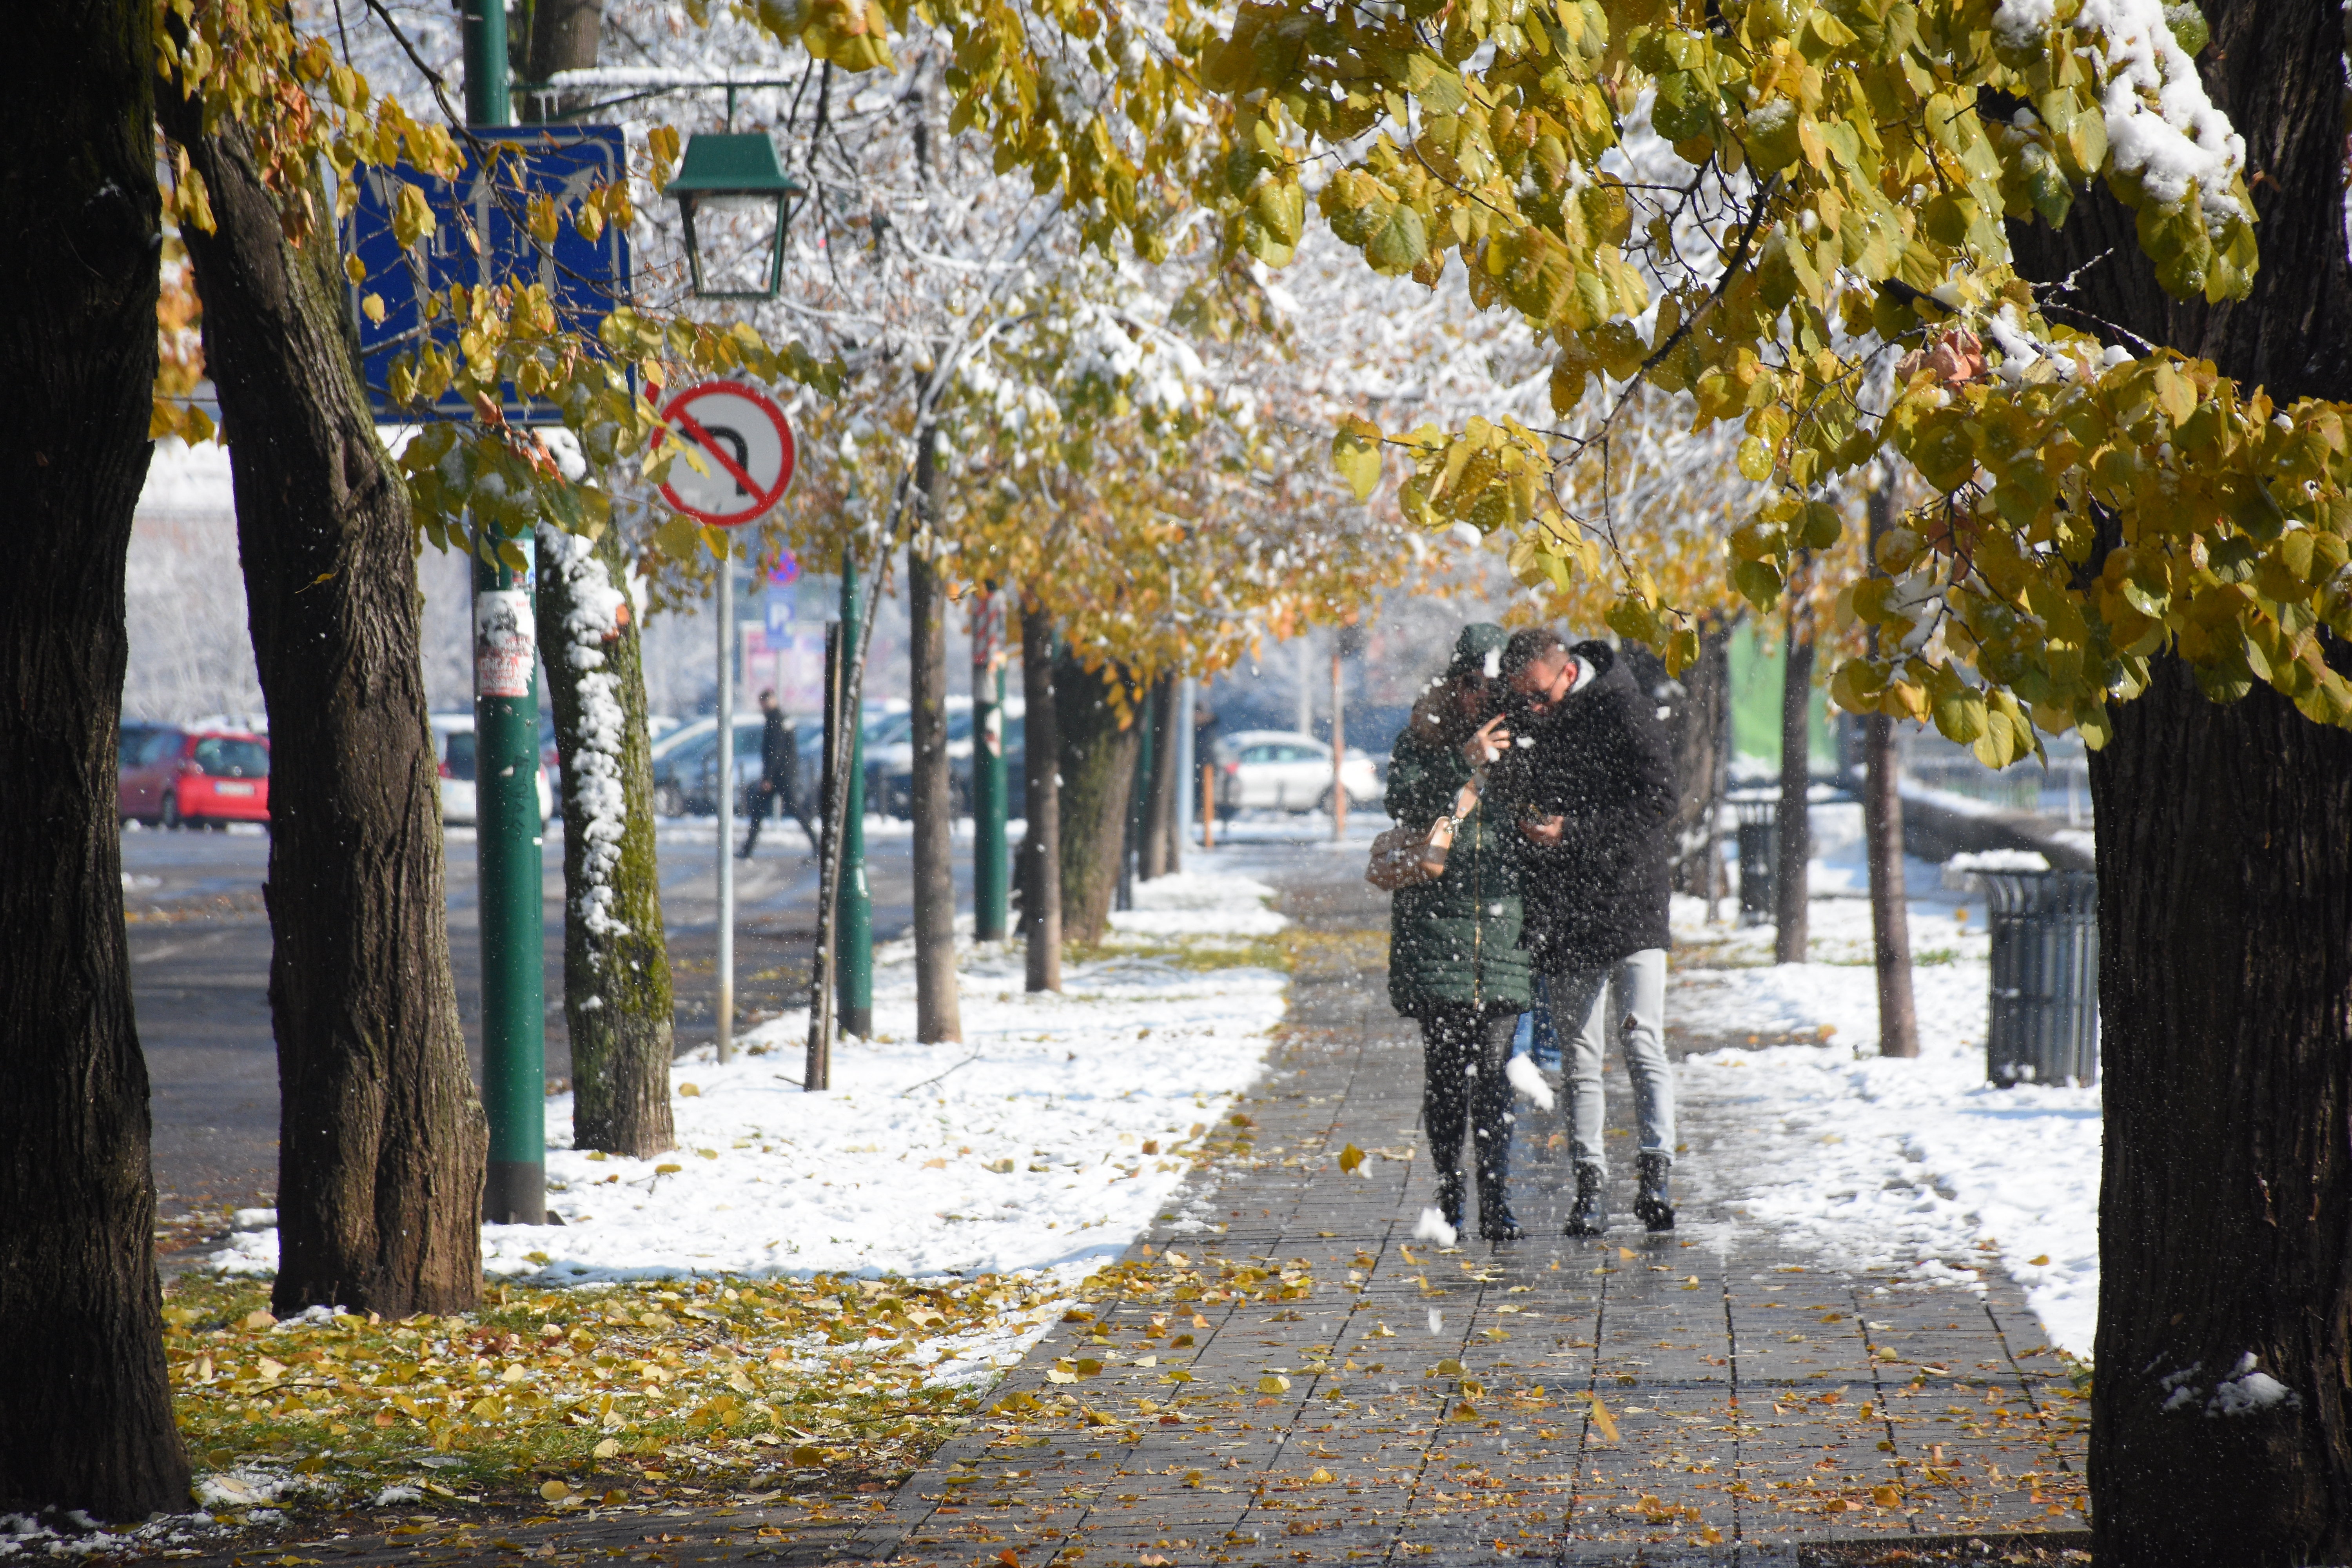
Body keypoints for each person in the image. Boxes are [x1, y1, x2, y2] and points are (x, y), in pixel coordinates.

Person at [1501, 626, 1679, 1235]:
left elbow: (1660, 801)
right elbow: (1516, 790)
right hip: (1568, 910)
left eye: (1536, 694)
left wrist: (1574, 832)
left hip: (1633, 903)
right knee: (1580, 1055)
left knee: (1641, 1040)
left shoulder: (1623, 706)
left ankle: (1656, 1174)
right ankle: (1590, 1189)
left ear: (1564, 671)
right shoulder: (1531, 719)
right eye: (1521, 697)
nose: (1530, 707)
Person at [1384, 624, 1533, 1241]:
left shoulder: (1524, 738)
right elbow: (1403, 805)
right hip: (1437, 941)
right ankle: (1451, 1192)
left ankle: (1497, 1199)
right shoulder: (1425, 736)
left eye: (1493, 684)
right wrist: (1461, 764)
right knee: (1446, 1079)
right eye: (1473, 683)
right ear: (1457, 682)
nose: (1483, 695)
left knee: (1496, 1078)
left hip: (1503, 942)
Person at [739, 690, 815, 858]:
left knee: (791, 809)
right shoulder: (781, 719)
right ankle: (747, 849)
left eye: (764, 703)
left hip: (780, 775)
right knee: (765, 810)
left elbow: (775, 751)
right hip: (784, 773)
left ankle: (818, 845)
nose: (763, 707)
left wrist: (768, 777)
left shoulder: (775, 721)